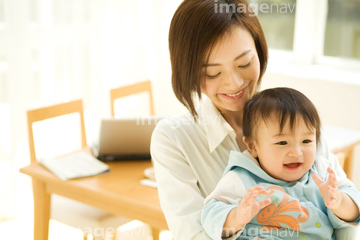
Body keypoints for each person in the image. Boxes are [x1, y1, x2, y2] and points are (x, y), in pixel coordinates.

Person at [150, 0, 359, 239]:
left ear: (259, 52)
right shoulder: (174, 139)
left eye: (244, 63)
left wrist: (340, 202)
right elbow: (193, 233)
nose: (234, 83)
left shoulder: (296, 122)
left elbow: (347, 224)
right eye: (213, 73)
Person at [201, 87, 360, 240]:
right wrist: (237, 216)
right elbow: (210, 214)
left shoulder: (322, 171)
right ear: (252, 146)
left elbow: (355, 208)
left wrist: (338, 202)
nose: (297, 152)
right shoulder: (241, 177)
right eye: (282, 142)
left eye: (306, 141)